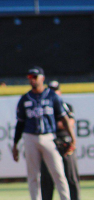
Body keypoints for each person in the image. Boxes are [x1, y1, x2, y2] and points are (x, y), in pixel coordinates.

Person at [12, 66, 76, 200]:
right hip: (30, 137)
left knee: (58, 173)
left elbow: (64, 118)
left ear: (42, 78)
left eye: (35, 77)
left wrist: (72, 138)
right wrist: (15, 144)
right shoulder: (25, 99)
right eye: (30, 78)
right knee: (33, 175)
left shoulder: (52, 96)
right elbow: (20, 123)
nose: (32, 80)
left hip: (48, 137)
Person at [41, 80, 80, 200]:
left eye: (56, 91)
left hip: (65, 141)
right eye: (51, 91)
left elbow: (70, 123)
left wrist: (56, 123)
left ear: (60, 92)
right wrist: (61, 122)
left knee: (71, 176)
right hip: (48, 142)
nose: (54, 94)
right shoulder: (44, 106)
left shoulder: (66, 105)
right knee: (47, 178)